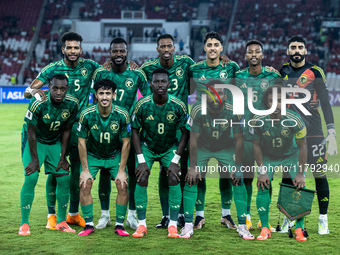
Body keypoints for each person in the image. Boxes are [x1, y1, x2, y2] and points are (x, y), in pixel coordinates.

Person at [24, 31, 101, 228]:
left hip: (81, 128)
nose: (73, 51)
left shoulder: (90, 66)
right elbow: (28, 91)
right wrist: (35, 91)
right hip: (59, 128)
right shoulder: (53, 68)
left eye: (76, 48)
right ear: (63, 49)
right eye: (69, 47)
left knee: (75, 171)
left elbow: (108, 72)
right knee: (56, 171)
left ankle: (73, 214)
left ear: (81, 50)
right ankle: (52, 214)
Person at [180, 82, 254, 240]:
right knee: (191, 178)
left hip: (225, 147)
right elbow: (193, 140)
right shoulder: (198, 109)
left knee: (237, 178)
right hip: (203, 146)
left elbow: (239, 139)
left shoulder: (233, 110)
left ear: (225, 96)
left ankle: (242, 225)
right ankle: (187, 224)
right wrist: (193, 167)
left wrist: (238, 166)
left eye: (219, 93)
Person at [280, 36, 337, 234]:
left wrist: (331, 129)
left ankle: (323, 219)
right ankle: (288, 217)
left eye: (300, 47)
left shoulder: (315, 72)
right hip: (289, 132)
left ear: (305, 51)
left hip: (313, 133)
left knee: (319, 175)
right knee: (288, 176)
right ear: (288, 50)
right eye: (293, 47)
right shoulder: (283, 71)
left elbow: (326, 103)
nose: (297, 50)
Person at [92, 37, 151, 230]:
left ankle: (132, 215)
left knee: (132, 172)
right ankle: (105, 215)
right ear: (110, 53)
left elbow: (147, 99)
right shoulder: (101, 72)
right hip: (105, 129)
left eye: (122, 51)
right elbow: (93, 98)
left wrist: (138, 121)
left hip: (129, 131)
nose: (118, 54)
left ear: (127, 52)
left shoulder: (137, 74)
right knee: (103, 171)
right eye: (115, 51)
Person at [140, 34, 194, 228]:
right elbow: (133, 75)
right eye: (162, 46)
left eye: (169, 46)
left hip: (181, 125)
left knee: (181, 169)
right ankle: (166, 215)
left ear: (174, 47)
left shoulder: (187, 62)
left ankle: (181, 213)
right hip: (159, 124)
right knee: (165, 170)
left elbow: (204, 71)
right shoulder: (147, 68)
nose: (166, 49)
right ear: (157, 49)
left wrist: (222, 60)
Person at [189, 31, 240, 229]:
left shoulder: (232, 67)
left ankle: (226, 215)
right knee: (198, 173)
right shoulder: (194, 69)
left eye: (216, 45)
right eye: (209, 45)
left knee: (226, 173)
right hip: (202, 128)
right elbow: (186, 90)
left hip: (225, 128)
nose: (212, 48)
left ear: (221, 48)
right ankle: (199, 216)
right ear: (204, 47)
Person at [131, 68, 189, 238]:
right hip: (148, 146)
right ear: (151, 84)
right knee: (141, 176)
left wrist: (176, 159)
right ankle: (141, 225)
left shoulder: (178, 105)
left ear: (169, 84)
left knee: (173, 176)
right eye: (156, 81)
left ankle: (172, 224)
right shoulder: (142, 105)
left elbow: (185, 132)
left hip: (168, 147)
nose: (160, 84)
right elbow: (134, 130)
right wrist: (141, 159)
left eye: (163, 81)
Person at [19, 74, 79, 235]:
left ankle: (61, 222)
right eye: (55, 88)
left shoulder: (72, 103)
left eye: (62, 89)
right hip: (36, 141)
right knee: (31, 177)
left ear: (67, 89)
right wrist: (34, 160)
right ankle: (24, 223)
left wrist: (63, 157)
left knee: (64, 176)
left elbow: (66, 131)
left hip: (54, 142)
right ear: (49, 88)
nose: (59, 92)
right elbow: (31, 132)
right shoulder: (38, 102)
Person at [234, 40, 281, 230]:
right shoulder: (237, 76)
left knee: (266, 178)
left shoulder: (273, 75)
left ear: (262, 55)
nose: (254, 54)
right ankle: (246, 217)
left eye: (257, 52)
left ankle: (264, 218)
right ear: (245, 56)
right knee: (246, 178)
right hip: (245, 135)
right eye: (250, 52)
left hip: (266, 136)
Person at [251, 85, 308, 241]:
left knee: (299, 187)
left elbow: (303, 146)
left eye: (279, 101)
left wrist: (301, 173)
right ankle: (264, 228)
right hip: (269, 155)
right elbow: (256, 145)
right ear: (266, 103)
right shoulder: (258, 120)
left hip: (291, 155)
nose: (276, 105)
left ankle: (299, 229)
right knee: (263, 185)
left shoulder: (294, 119)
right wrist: (262, 171)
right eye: (271, 101)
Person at [77, 79, 131, 236]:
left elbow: (126, 143)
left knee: (122, 184)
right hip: (94, 155)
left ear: (114, 95)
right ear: (96, 95)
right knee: (85, 184)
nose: (104, 97)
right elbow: (81, 141)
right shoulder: (86, 114)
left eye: (108, 93)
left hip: (114, 155)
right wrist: (85, 169)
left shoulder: (122, 114)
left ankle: (119, 225)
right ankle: (88, 225)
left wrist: (121, 170)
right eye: (101, 93)